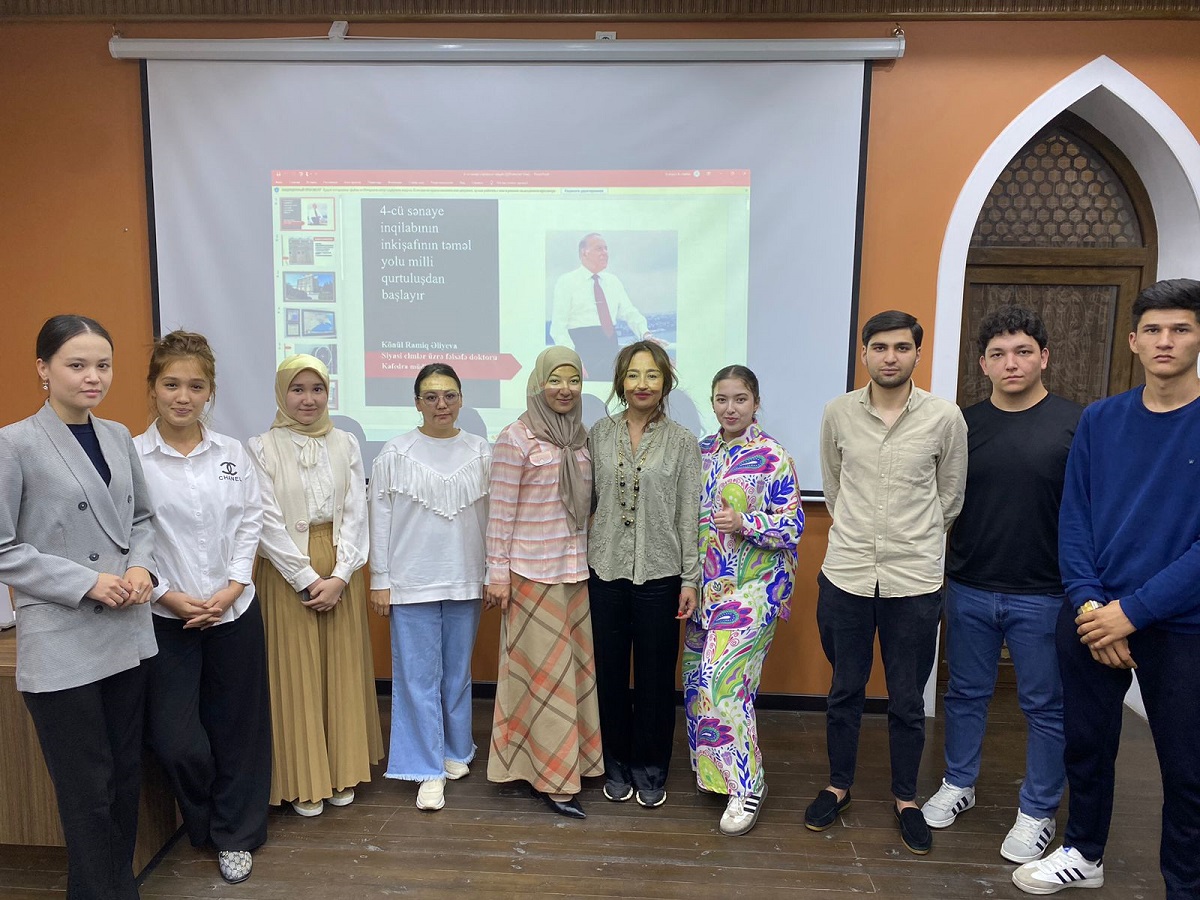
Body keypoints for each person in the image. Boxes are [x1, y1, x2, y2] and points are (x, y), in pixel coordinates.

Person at [1013, 279, 1200, 899]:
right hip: (1094, 613)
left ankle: (1185, 884)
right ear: (1133, 341)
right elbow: (1075, 518)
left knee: (1187, 769)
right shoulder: (1101, 419)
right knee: (1086, 746)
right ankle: (1084, 852)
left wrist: (1133, 613)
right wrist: (1094, 606)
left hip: (1180, 625)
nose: (1165, 341)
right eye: (1153, 329)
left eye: (1180, 328)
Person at [0, 315, 157, 900]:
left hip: (126, 630)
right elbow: (3, 548)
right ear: (42, 369)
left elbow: (142, 519)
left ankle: (113, 889)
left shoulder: (117, 434)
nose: (94, 377)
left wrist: (142, 567)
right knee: (85, 790)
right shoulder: (13, 442)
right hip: (63, 637)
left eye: (103, 365)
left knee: (122, 779)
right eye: (77, 364)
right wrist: (86, 581)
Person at [922, 307, 1082, 863]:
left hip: (1047, 592)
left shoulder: (1076, 424)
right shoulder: (961, 425)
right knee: (965, 694)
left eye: (1022, 352)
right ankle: (958, 784)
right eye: (998, 354)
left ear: (1044, 357)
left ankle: (1037, 811)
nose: (1010, 363)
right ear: (982, 363)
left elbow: (1090, 511)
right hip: (968, 585)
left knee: (1045, 706)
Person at [806, 310, 967, 856]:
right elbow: (833, 488)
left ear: (917, 354)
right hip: (847, 574)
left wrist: (913, 540)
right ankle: (839, 785)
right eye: (879, 347)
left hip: (915, 580)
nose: (890, 356)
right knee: (845, 689)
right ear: (865, 353)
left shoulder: (945, 418)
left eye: (901, 347)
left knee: (905, 696)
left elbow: (951, 497)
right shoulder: (837, 413)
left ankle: (905, 798)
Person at [134, 331, 270, 885]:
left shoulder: (232, 453)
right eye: (171, 384)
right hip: (166, 618)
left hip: (232, 614)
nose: (183, 396)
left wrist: (235, 586)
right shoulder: (133, 458)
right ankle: (206, 822)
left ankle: (237, 836)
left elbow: (250, 520)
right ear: (152, 389)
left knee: (239, 730)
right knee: (175, 737)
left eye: (195, 386)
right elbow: (131, 535)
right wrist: (166, 592)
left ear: (210, 392)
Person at [250, 353, 383, 818]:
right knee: (295, 673)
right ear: (282, 393)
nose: (308, 399)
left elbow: (356, 511)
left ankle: (341, 771)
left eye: (317, 389)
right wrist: (307, 578)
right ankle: (303, 780)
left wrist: (342, 574)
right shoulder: (261, 447)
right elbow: (264, 520)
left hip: (340, 566)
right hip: (286, 570)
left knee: (340, 668)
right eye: (298, 389)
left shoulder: (345, 442)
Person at [683, 365, 802, 836]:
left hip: (755, 589)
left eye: (740, 399)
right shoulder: (702, 452)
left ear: (755, 402)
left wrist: (747, 524)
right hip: (707, 588)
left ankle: (747, 785)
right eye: (721, 399)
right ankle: (715, 777)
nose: (730, 408)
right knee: (696, 681)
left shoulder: (773, 456)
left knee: (723, 681)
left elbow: (794, 526)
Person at [485, 346, 601, 819]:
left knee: (571, 678)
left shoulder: (581, 437)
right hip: (531, 576)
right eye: (556, 379)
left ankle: (573, 764)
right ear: (538, 383)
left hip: (575, 574)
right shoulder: (516, 438)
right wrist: (497, 574)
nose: (565, 389)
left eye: (573, 380)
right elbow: (500, 513)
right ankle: (550, 778)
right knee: (542, 680)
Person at [368, 364, 490, 813]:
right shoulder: (395, 452)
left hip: (465, 579)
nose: (442, 404)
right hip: (410, 581)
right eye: (431, 396)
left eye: (450, 395)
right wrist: (379, 580)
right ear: (416, 402)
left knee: (457, 673)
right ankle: (426, 767)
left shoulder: (480, 452)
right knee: (418, 678)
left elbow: (494, 522)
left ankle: (457, 751)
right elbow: (378, 520)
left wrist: (493, 571)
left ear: (461, 400)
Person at [588, 341, 702, 809]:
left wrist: (690, 579)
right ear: (620, 382)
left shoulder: (682, 442)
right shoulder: (597, 433)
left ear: (665, 382)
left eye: (651, 375)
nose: (642, 384)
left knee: (656, 678)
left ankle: (651, 767)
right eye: (633, 375)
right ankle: (614, 762)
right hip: (606, 571)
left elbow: (689, 515)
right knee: (610, 673)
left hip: (661, 575)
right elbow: (586, 503)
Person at [550, 233, 655, 377]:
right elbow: (558, 327)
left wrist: (646, 334)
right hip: (582, 354)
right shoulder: (567, 282)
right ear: (584, 252)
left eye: (606, 249)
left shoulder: (613, 281)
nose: (605, 253)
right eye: (599, 248)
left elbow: (630, 312)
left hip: (611, 354)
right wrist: (572, 360)